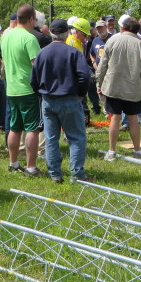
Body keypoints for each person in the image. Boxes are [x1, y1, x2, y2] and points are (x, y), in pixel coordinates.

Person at [31, 18, 91, 183]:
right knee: (76, 137)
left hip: (48, 100)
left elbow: (33, 80)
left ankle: (55, 173)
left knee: (51, 138)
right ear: (67, 33)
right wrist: (80, 93)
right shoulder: (73, 52)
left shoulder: (42, 53)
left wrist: (41, 93)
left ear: (51, 33)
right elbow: (85, 76)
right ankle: (77, 174)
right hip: (69, 98)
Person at [95, 14, 141, 161]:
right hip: (134, 88)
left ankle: (111, 152)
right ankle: (138, 151)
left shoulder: (112, 40)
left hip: (113, 87)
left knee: (115, 118)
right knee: (133, 119)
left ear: (122, 27)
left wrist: (99, 84)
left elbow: (102, 67)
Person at [2, 4, 43, 175]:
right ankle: (31, 167)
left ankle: (13, 163)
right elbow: (37, 66)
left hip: (11, 88)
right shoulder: (29, 38)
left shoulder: (6, 36)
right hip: (27, 89)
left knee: (15, 127)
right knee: (32, 129)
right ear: (32, 19)